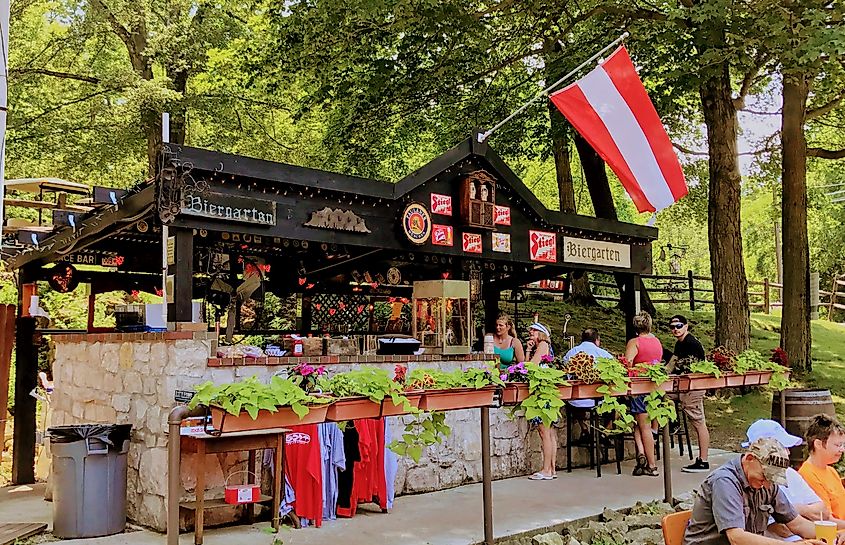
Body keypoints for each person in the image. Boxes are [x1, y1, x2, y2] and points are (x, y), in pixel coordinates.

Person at [683, 437, 829, 545]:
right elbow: (736, 537)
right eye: (764, 476)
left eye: (772, 479)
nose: (767, 484)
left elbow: (797, 524)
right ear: (750, 458)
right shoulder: (725, 482)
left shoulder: (766, 483)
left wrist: (831, 536)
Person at [740, 419, 839, 541]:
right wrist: (804, 516)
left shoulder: (790, 473)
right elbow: (782, 529)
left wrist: (798, 509)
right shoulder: (759, 482)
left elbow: (823, 513)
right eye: (782, 447)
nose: (788, 452)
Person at [666, 314, 712, 473]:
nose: (675, 329)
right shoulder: (680, 344)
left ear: (686, 326)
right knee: (661, 395)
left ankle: (703, 460)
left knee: (699, 422)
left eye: (678, 326)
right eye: (672, 327)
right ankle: (673, 421)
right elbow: (671, 364)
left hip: (693, 387)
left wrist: (670, 371)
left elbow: (687, 368)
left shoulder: (691, 344)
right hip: (682, 387)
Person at [624, 311, 662, 477]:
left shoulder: (634, 342)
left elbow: (628, 364)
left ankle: (651, 465)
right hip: (654, 386)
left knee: (643, 425)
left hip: (640, 386)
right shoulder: (656, 342)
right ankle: (641, 454)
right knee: (640, 423)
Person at [564, 328, 613, 441]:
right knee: (618, 404)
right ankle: (605, 432)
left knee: (570, 402)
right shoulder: (604, 354)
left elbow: (565, 370)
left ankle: (584, 429)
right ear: (597, 340)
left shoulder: (571, 353)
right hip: (598, 400)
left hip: (575, 401)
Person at [525, 322, 556, 481]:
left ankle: (546, 470)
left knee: (544, 431)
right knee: (549, 431)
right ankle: (551, 468)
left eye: (534, 330)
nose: (530, 332)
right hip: (546, 390)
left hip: (542, 391)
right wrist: (528, 350)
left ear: (542, 333)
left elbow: (531, 366)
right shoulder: (542, 347)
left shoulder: (543, 345)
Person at [799, 414, 845, 521]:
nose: (842, 450)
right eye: (838, 445)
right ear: (818, 444)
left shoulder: (831, 471)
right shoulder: (808, 474)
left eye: (843, 445)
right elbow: (826, 519)